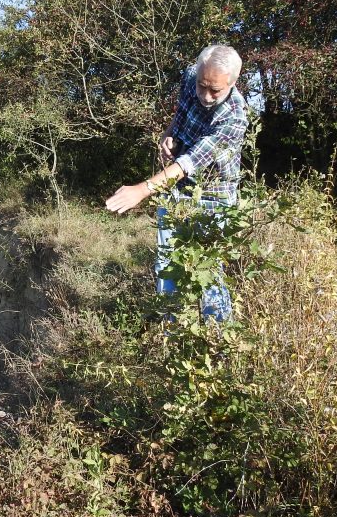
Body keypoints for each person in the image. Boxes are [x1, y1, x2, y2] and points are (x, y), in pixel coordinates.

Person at [105, 44, 249, 321]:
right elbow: (182, 110)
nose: (205, 96)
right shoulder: (191, 76)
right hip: (175, 188)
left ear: (233, 83)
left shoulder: (234, 117)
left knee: (208, 271)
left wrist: (142, 190)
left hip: (213, 196)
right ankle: (171, 332)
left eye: (215, 90)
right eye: (201, 86)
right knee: (166, 264)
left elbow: (189, 163)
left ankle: (217, 337)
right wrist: (168, 134)